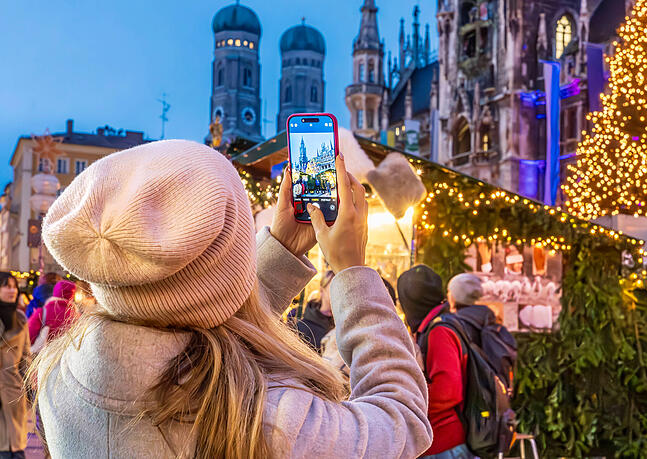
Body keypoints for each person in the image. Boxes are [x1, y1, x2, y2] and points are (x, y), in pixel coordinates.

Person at [33, 140, 431, 458]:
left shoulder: (59, 378)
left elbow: (190, 305)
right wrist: (352, 272)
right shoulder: (268, 421)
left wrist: (282, 250)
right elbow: (401, 422)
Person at [398, 265, 471, 459]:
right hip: (438, 444)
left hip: (444, 445)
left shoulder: (438, 332)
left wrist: (406, 399)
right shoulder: (433, 326)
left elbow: (448, 391)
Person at [0, 272, 31, 459]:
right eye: (6, 285)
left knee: (16, 452)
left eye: (14, 286)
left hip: (13, 392)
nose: (12, 290)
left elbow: (25, 357)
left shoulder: (20, 318)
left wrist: (26, 391)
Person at [292, 270, 336, 353]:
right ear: (322, 291)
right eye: (334, 288)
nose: (338, 293)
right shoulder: (302, 328)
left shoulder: (344, 325)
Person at [28, 280, 77, 346]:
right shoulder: (76, 315)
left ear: (55, 292)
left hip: (46, 354)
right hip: (69, 354)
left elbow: (29, 335)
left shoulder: (43, 311)